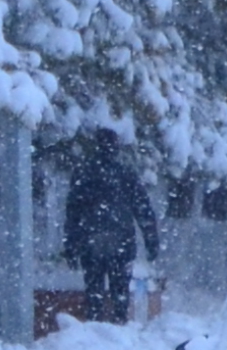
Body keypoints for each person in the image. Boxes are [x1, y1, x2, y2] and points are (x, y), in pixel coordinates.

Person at [60, 127, 160, 326]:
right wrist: (151, 240)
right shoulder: (126, 175)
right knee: (119, 290)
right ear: (116, 148)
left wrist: (71, 245)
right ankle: (118, 324)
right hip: (121, 240)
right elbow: (143, 210)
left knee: (94, 289)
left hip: (92, 241)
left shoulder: (84, 173)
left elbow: (73, 213)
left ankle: (95, 325)